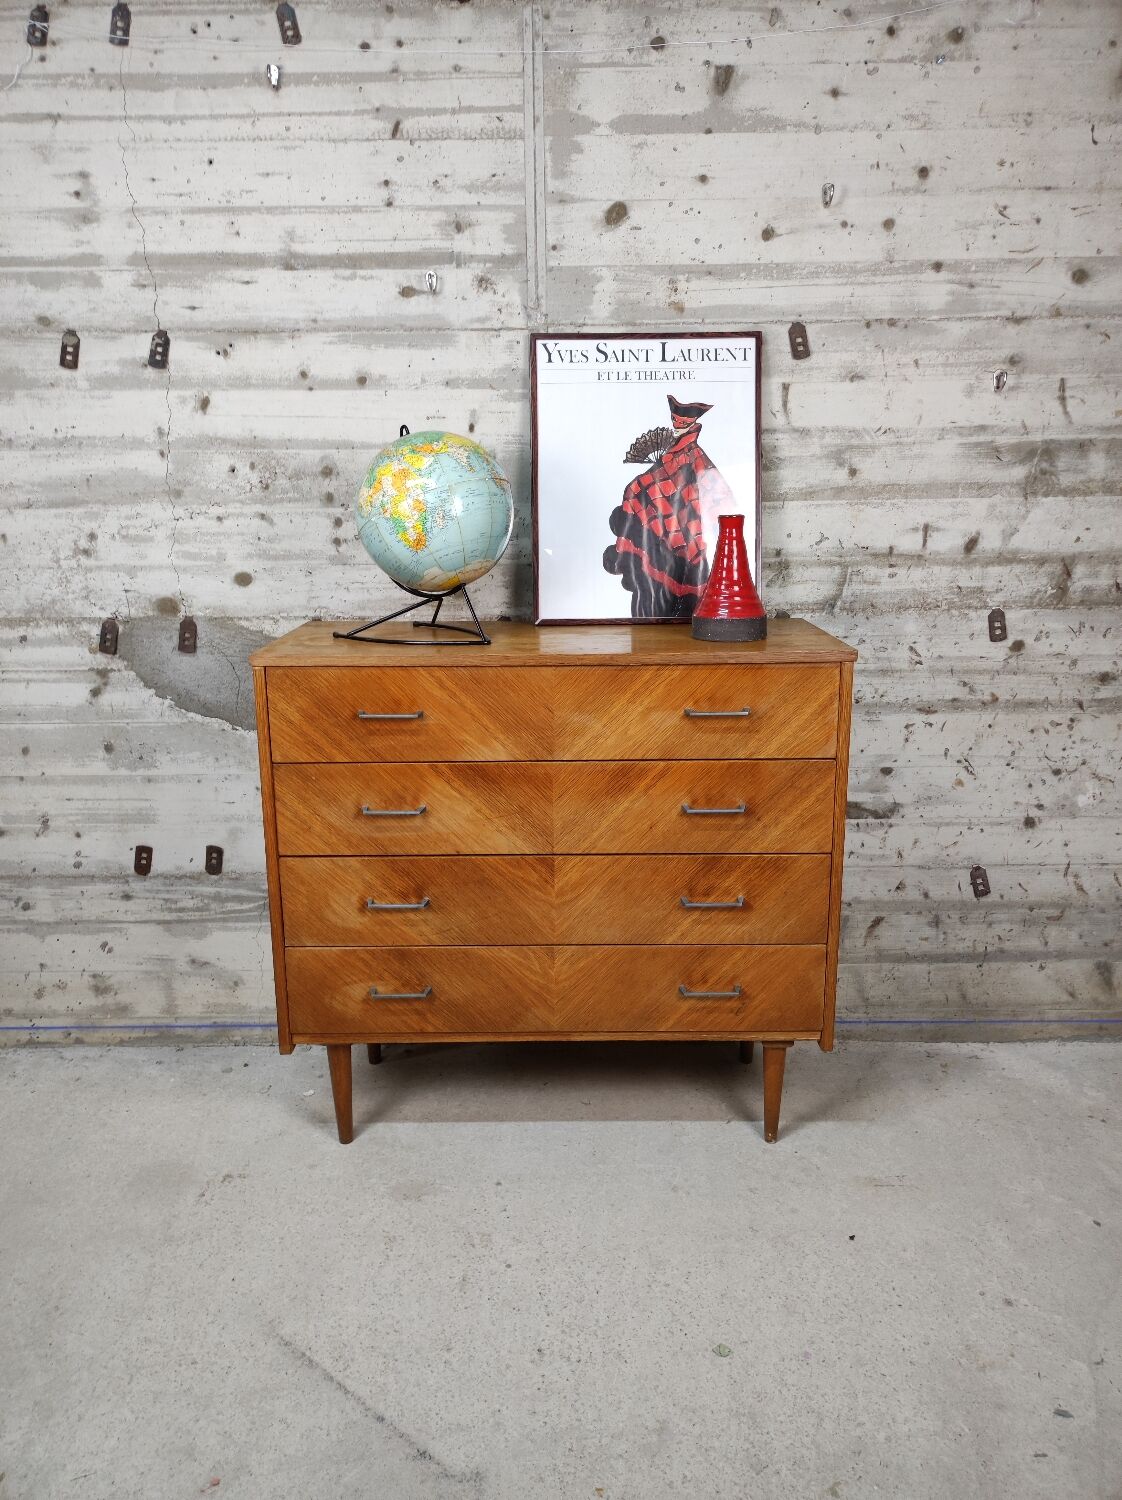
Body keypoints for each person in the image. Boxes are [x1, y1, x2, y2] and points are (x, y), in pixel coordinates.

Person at [603, 394, 736, 619]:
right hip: (667, 513)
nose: (677, 427)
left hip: (683, 514)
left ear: (692, 424)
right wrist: (641, 484)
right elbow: (660, 477)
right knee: (636, 490)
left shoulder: (693, 454)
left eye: (682, 424)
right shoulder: (676, 450)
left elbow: (694, 485)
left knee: (681, 544)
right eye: (676, 422)